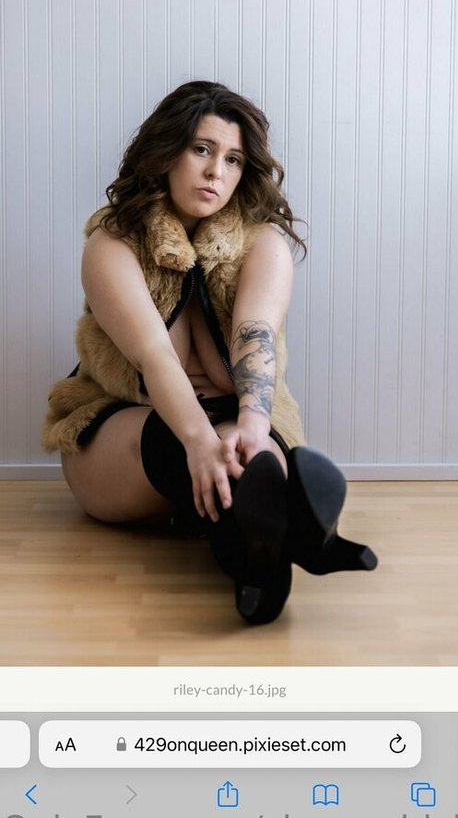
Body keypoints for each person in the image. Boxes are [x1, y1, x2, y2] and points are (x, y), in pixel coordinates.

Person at [42, 80, 377, 625]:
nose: (215, 171)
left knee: (247, 461)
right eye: (202, 149)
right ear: (167, 151)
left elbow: (255, 335)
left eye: (233, 159)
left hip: (231, 420)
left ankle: (261, 570)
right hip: (124, 434)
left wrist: (254, 423)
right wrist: (198, 440)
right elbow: (154, 356)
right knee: (192, 448)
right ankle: (307, 536)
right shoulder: (112, 242)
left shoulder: (263, 245)